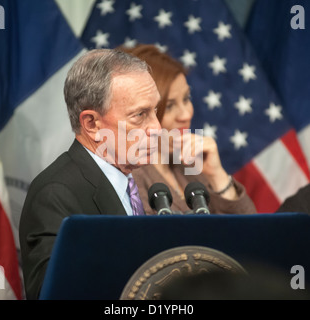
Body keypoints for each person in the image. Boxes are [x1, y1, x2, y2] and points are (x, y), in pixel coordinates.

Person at [19, 49, 161, 299]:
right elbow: (54, 293)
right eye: (140, 115)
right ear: (92, 124)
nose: (157, 128)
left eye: (155, 111)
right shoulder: (55, 194)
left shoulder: (136, 180)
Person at [120, 44, 256, 214]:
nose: (185, 115)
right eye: (169, 107)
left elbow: (252, 234)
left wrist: (217, 175)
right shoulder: (128, 179)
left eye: (186, 99)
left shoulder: (190, 166)